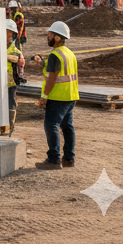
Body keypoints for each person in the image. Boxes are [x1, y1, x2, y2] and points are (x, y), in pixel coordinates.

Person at [31, 21, 78, 170]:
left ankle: (53, 160)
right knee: (67, 127)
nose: (48, 37)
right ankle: (69, 159)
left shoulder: (55, 55)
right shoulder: (69, 53)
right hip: (70, 96)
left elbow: (52, 78)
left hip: (58, 97)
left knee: (51, 125)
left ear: (57, 38)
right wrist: (43, 62)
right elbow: (60, 71)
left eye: (50, 35)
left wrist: (44, 96)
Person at [4, 18, 24, 135]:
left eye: (10, 33)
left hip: (10, 82)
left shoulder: (14, 49)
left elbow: (16, 58)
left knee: (11, 103)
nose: (9, 36)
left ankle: (9, 128)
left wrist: (4, 56)